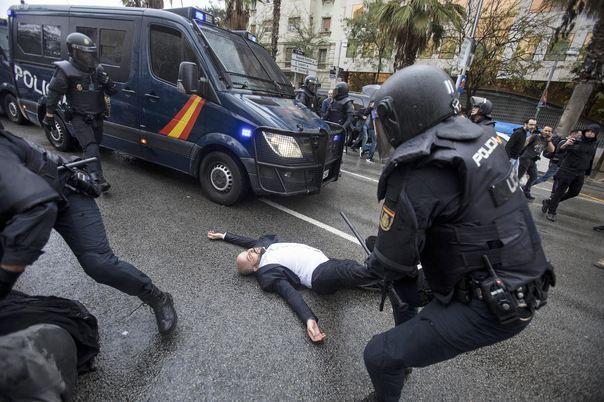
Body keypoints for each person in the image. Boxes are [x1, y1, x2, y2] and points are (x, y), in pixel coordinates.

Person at [361, 65, 554, 401]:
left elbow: (390, 262)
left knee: (378, 355)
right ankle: (404, 351)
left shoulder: (418, 169)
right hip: (523, 279)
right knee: (407, 287)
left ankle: (391, 373)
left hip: (491, 303)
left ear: (404, 115)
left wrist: (379, 258)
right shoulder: (479, 138)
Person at [0, 125, 177, 335]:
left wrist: (5, 276)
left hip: (66, 192)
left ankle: (157, 297)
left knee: (98, 263)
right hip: (27, 206)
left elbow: (38, 207)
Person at [207, 229, 381, 343]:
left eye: (248, 251)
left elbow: (246, 241)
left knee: (351, 276)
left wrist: (223, 236)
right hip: (318, 274)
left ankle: (384, 282)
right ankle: (381, 265)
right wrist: (309, 319)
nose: (251, 251)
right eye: (249, 256)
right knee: (347, 269)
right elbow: (290, 294)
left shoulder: (260, 249)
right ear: (254, 268)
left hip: (324, 260)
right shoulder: (268, 273)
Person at [43, 32, 118, 192]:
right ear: (74, 52)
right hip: (79, 116)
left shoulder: (97, 69)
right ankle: (97, 178)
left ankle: (80, 168)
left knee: (94, 145)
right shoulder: (65, 70)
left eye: (89, 52)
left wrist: (109, 84)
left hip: (97, 116)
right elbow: (53, 94)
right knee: (91, 146)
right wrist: (49, 116)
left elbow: (113, 91)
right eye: (83, 52)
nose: (87, 56)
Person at [542, 125, 599, 222]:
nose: (590, 133)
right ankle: (551, 212)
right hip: (567, 171)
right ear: (585, 131)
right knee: (559, 192)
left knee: (574, 192)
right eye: (588, 131)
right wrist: (565, 145)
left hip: (580, 173)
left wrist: (587, 172)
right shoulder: (576, 141)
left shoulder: (594, 144)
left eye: (592, 132)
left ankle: (549, 202)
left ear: (596, 134)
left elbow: (590, 158)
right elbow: (560, 151)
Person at [517, 125, 555, 200]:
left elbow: (552, 150)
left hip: (533, 160)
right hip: (525, 158)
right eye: (546, 130)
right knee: (519, 176)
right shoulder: (535, 136)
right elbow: (525, 143)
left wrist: (549, 140)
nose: (547, 132)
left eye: (549, 131)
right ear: (542, 130)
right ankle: (511, 192)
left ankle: (526, 192)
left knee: (534, 176)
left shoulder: (547, 141)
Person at [323, 82, 355, 150]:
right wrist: (322, 120)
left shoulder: (347, 102)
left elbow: (351, 116)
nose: (335, 92)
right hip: (331, 125)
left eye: (336, 90)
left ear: (342, 91)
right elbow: (328, 112)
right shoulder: (333, 100)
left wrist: (344, 127)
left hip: (339, 128)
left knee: (337, 145)